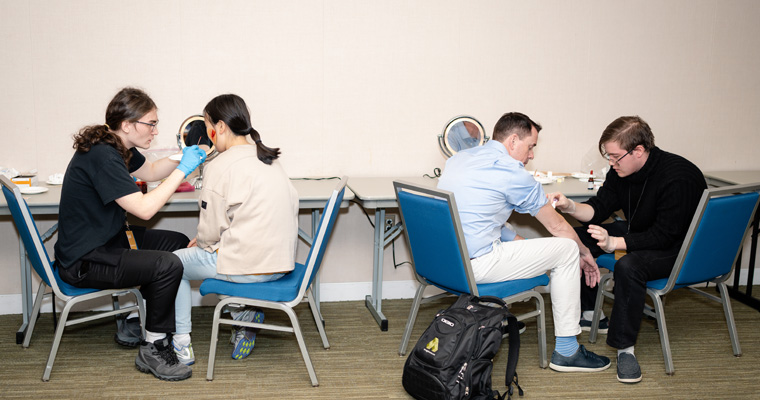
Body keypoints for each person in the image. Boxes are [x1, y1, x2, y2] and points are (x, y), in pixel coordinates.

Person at [437, 111, 611, 373]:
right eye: (531, 147)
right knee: (566, 249)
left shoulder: (458, 160)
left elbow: (477, 216)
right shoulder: (512, 173)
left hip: (444, 262)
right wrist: (585, 254)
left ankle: (495, 318)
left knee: (530, 242)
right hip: (475, 266)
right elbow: (557, 226)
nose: (531, 156)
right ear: (514, 141)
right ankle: (567, 351)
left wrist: (515, 239)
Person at [54, 87, 206, 381]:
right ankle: (153, 345)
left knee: (175, 243)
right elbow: (145, 210)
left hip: (104, 241)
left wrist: (181, 158)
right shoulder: (103, 157)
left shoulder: (115, 145)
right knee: (168, 264)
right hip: (85, 260)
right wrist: (183, 171)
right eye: (151, 123)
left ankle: (145, 316)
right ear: (127, 124)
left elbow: (149, 171)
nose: (155, 130)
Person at [549, 116, 706, 384]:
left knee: (628, 266)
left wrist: (615, 243)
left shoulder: (678, 177)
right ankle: (590, 313)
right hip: (643, 234)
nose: (610, 163)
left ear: (639, 151)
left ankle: (626, 350)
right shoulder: (621, 171)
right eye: (607, 156)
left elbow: (664, 235)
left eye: (615, 157)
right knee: (575, 240)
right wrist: (570, 207)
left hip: (680, 248)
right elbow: (599, 207)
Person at [171, 94, 299, 366]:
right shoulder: (269, 158)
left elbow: (208, 231)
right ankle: (244, 317)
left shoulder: (219, 165)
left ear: (219, 126)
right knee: (218, 251)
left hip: (247, 268)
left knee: (172, 264)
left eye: (207, 126)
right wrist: (211, 243)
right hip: (279, 264)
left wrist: (205, 244)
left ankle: (181, 344)